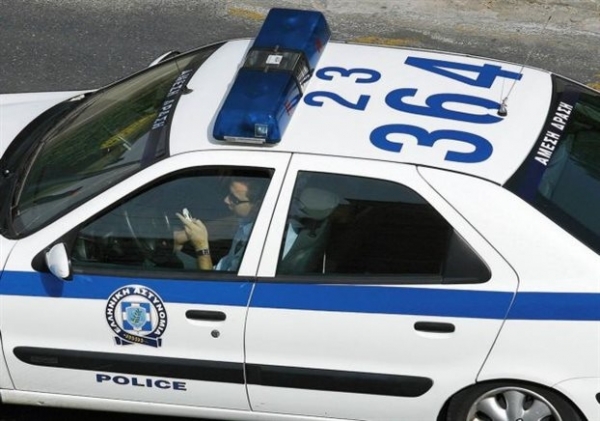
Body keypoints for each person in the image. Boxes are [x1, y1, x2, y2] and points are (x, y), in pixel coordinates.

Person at [175, 177, 264, 271]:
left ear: (257, 206)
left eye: (234, 199)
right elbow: (228, 224)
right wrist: (185, 235)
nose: (226, 200)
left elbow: (209, 280)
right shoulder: (246, 222)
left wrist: (201, 246)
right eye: (228, 194)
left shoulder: (256, 245)